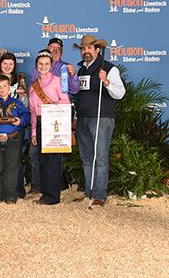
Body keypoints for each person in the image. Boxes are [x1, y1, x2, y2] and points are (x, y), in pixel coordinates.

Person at [74, 35, 125, 206]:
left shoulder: (109, 68)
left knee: (100, 158)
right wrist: (75, 117)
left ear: (97, 50)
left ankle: (99, 195)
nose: (85, 51)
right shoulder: (80, 70)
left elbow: (120, 93)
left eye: (89, 48)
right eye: (83, 48)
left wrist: (106, 81)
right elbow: (79, 95)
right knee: (87, 158)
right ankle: (89, 192)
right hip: (83, 118)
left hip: (101, 118)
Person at [28, 37, 78, 194]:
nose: (43, 67)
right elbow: (33, 111)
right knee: (42, 160)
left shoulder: (58, 80)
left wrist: (52, 107)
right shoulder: (33, 86)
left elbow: (65, 101)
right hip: (40, 123)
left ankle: (53, 195)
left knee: (53, 161)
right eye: (40, 64)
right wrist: (34, 132)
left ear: (51, 66)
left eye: (46, 64)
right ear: (37, 66)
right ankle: (45, 191)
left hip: (55, 122)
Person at [0, 52, 29, 198]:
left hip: (14, 133)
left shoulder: (19, 87)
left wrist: (21, 121)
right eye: (5, 63)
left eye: (11, 64)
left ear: (9, 88)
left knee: (13, 165)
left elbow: (25, 112)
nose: (2, 89)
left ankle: (12, 194)